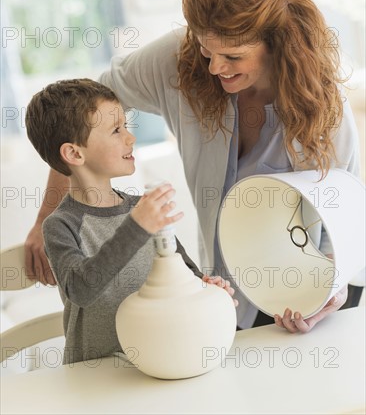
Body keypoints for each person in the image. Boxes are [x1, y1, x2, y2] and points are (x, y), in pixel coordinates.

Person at [25, 0, 360, 334]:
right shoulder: (176, 59)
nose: (215, 67)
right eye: (206, 50)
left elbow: (347, 225)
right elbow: (73, 119)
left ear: (280, 45)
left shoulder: (323, 109)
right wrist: (46, 219)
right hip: (225, 298)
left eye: (233, 55)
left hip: (304, 299)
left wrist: (328, 298)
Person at [25, 78, 236, 364]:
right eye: (116, 130)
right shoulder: (61, 225)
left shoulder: (141, 209)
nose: (130, 137)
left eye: (125, 126)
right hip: (95, 374)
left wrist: (207, 289)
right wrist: (137, 226)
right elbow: (81, 289)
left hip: (157, 360)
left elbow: (182, 269)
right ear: (74, 153)